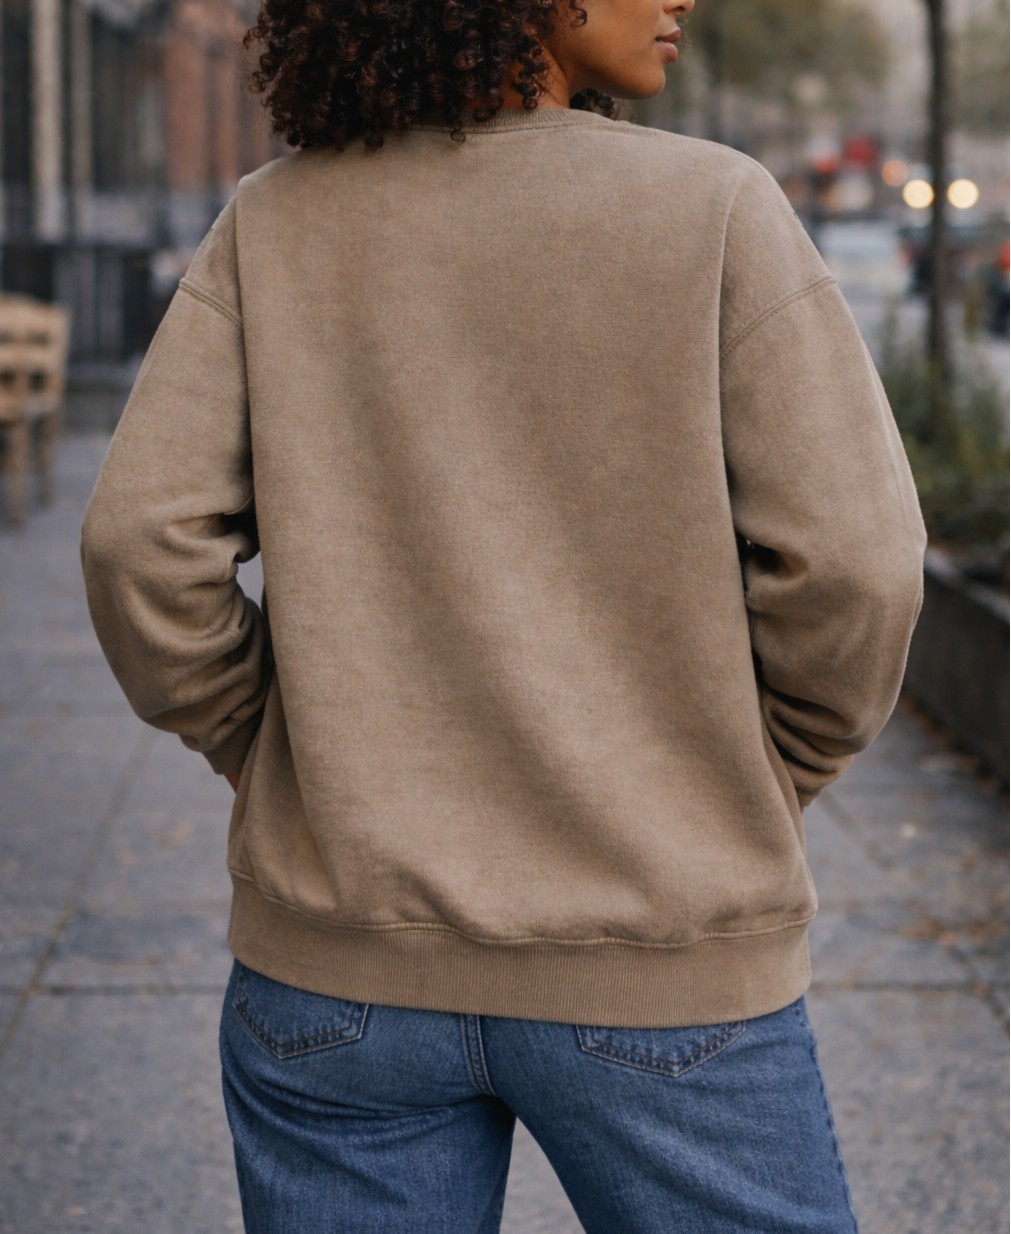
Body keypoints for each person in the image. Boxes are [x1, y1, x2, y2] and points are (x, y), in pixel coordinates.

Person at [81, 0, 926, 1228]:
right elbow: (860, 565)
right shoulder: (717, 208)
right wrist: (757, 773)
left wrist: (268, 752)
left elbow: (137, 547)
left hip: (339, 974)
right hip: (660, 963)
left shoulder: (275, 220)